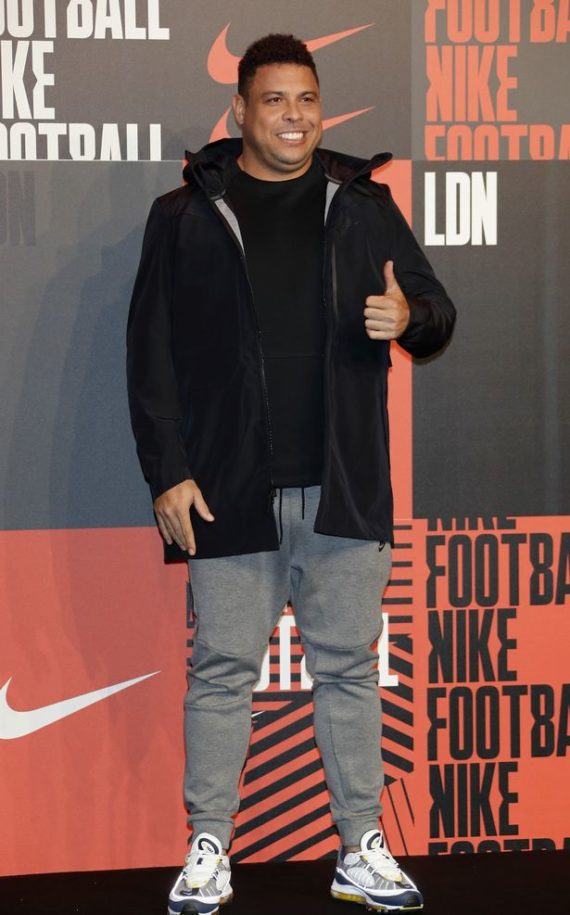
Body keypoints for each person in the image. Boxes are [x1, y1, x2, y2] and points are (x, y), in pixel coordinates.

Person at [127, 33, 455, 915]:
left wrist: (409, 316)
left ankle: (360, 847)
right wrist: (168, 473)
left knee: (349, 670)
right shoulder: (184, 215)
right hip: (228, 489)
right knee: (222, 671)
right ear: (240, 110)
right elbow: (149, 356)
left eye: (306, 99)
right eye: (273, 100)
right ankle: (208, 847)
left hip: (344, 487)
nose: (294, 116)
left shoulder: (364, 204)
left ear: (321, 107)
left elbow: (436, 311)